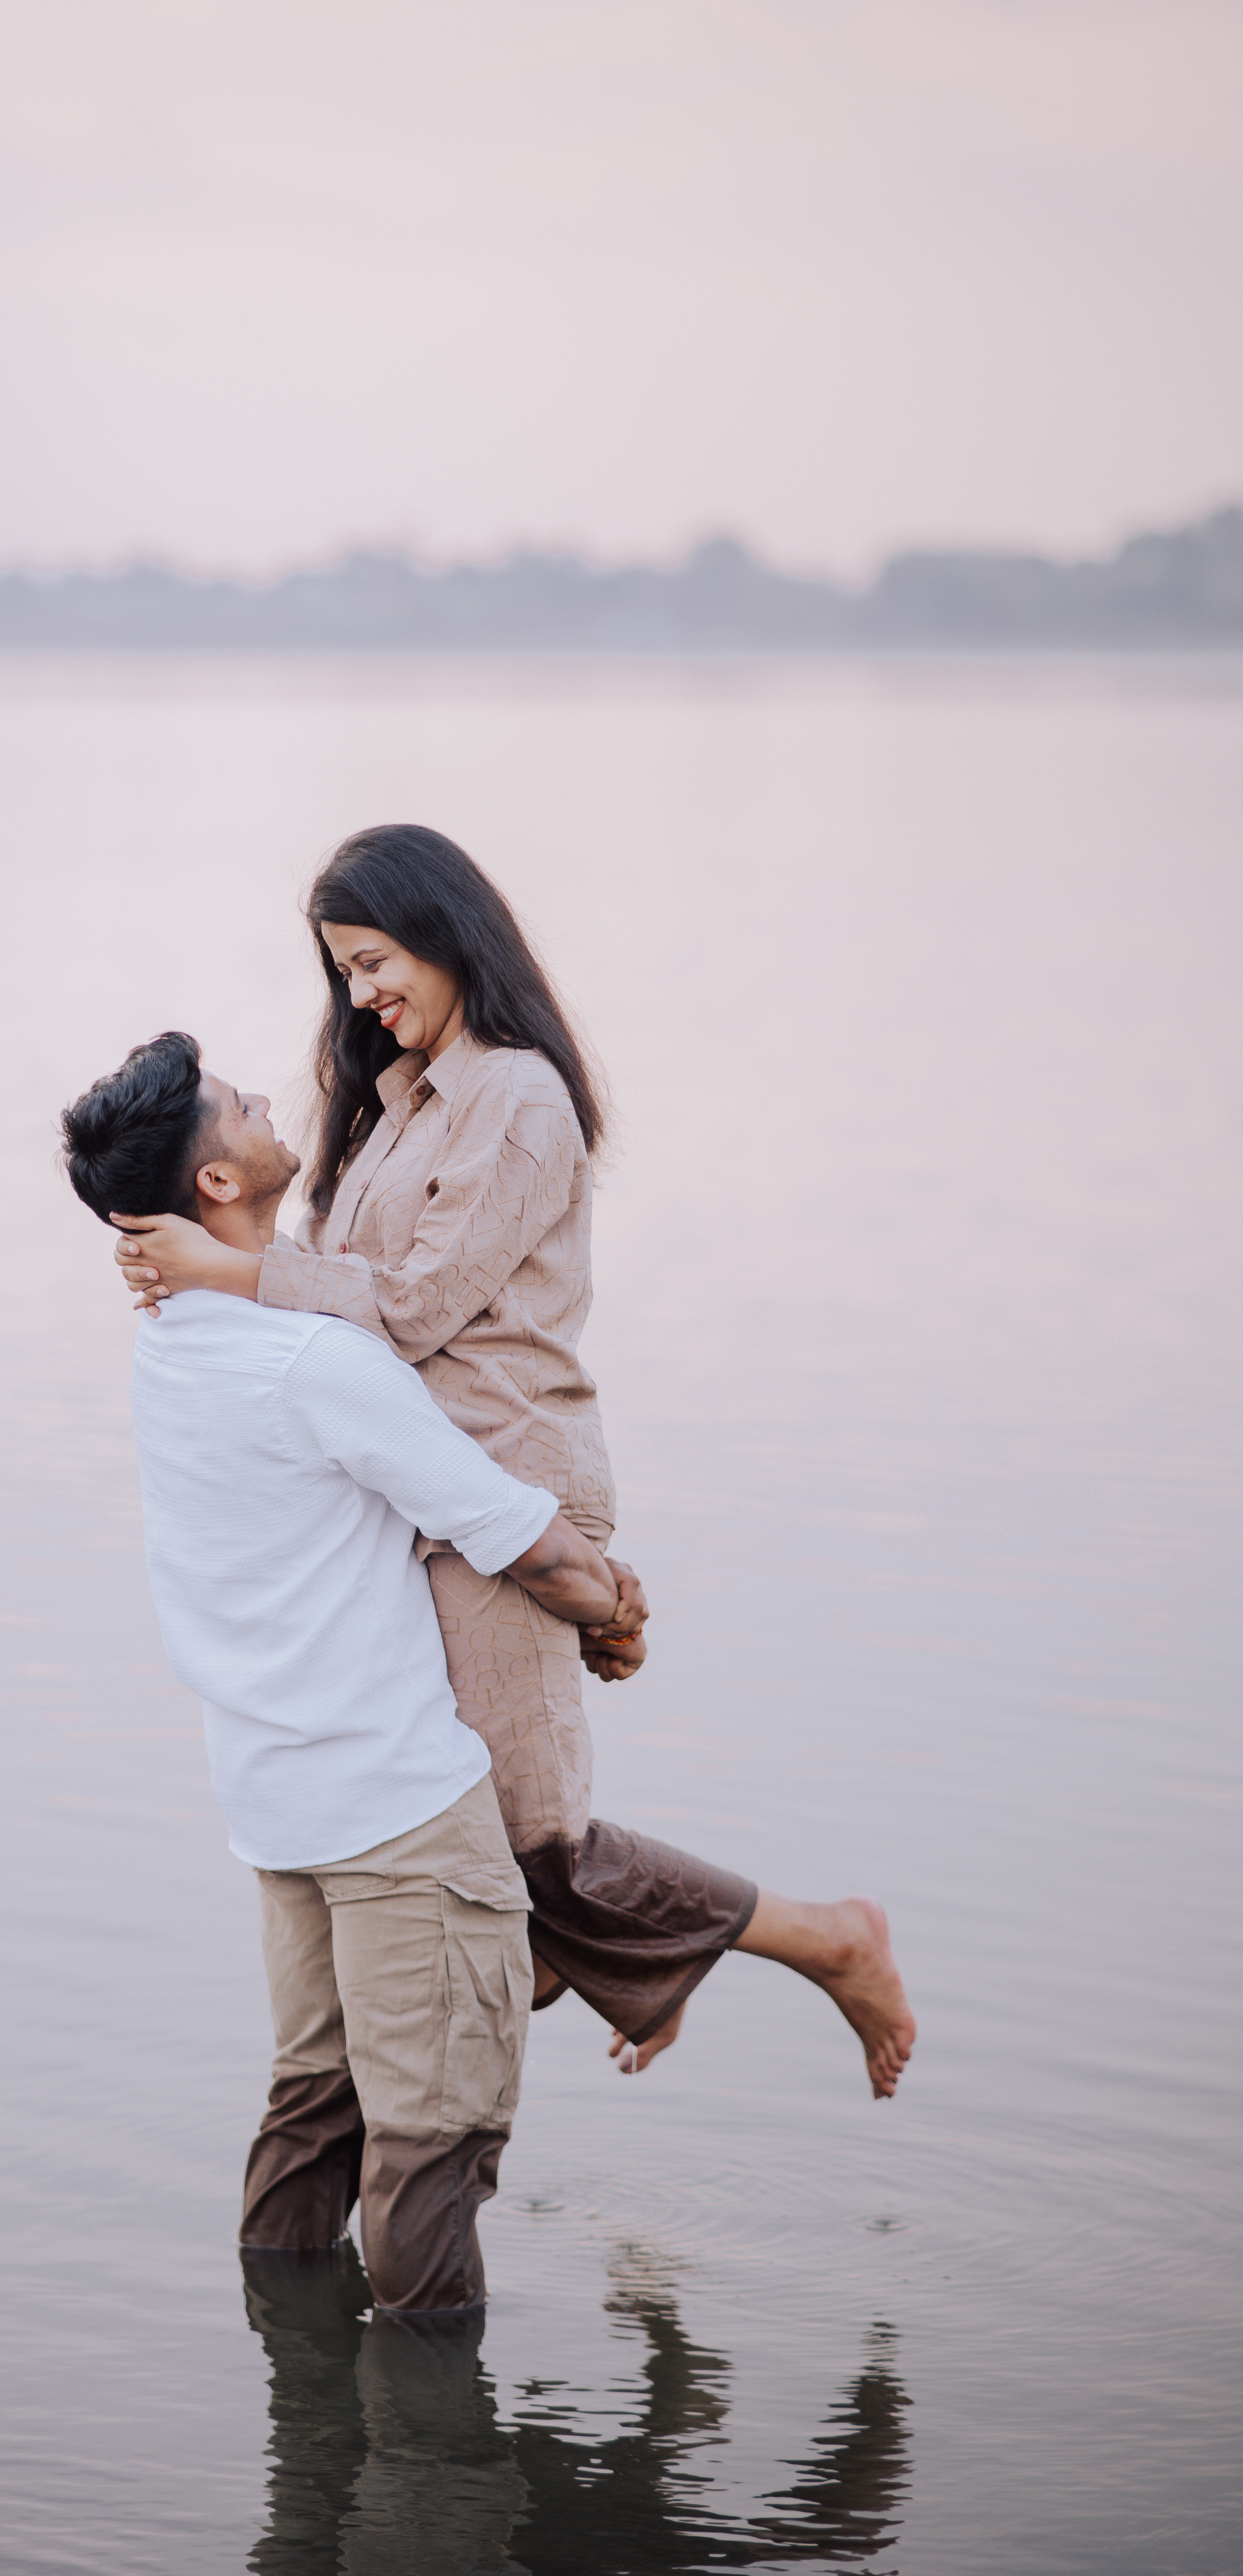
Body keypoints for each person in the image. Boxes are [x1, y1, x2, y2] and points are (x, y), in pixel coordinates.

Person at [110, 824, 915, 2101]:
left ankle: (827, 1939)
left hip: (501, 1482)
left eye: (374, 962)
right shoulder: (397, 1104)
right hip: (423, 1499)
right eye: (345, 973)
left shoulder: (519, 1101)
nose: (361, 996)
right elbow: (347, 1302)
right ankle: (634, 1966)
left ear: (444, 933)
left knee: (529, 1847)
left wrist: (226, 1268)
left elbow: (412, 1309)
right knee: (476, 1841)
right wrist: (211, 1279)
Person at [60, 1030, 649, 2315]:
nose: (268, 1105)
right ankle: (426, 2434)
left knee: (312, 2113)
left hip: (275, 1806)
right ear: (216, 1183)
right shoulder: (314, 1361)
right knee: (437, 2147)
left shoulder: (173, 1346)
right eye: (238, 1106)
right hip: (398, 1811)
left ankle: (297, 2395)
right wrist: (616, 1607)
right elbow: (516, 1534)